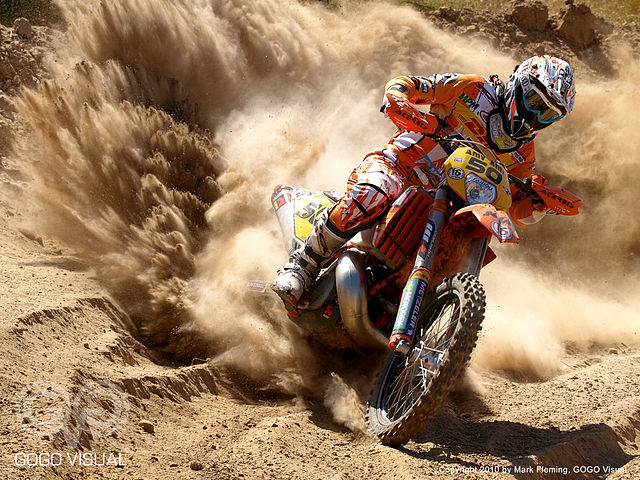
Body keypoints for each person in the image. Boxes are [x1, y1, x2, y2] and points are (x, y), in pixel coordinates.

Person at [272, 55, 576, 313]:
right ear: (519, 85)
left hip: (449, 202)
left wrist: (538, 204)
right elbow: (411, 85)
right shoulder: (472, 89)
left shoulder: (524, 152)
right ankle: (303, 266)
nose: (536, 115)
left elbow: (513, 204)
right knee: (371, 195)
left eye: (548, 114)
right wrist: (399, 98)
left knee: (467, 240)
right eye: (535, 102)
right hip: (400, 166)